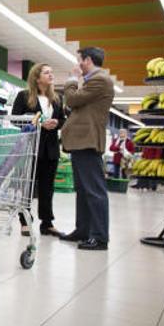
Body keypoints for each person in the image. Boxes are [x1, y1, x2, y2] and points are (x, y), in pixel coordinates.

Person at [59, 47, 115, 250]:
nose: (78, 64)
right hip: (81, 142)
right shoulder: (94, 81)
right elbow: (78, 106)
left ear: (88, 60)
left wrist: (71, 81)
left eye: (79, 60)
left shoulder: (100, 79)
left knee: (94, 191)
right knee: (83, 190)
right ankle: (83, 230)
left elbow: (72, 99)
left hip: (87, 142)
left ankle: (100, 237)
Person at [12, 63, 65, 237]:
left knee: (47, 188)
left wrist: (57, 123)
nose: (51, 75)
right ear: (36, 77)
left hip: (50, 149)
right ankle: (24, 221)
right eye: (46, 72)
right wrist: (39, 124)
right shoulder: (24, 96)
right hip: (30, 147)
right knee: (27, 185)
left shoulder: (57, 99)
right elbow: (15, 119)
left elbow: (63, 120)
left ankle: (47, 223)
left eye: (52, 72)